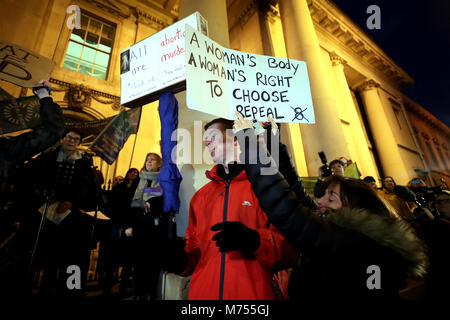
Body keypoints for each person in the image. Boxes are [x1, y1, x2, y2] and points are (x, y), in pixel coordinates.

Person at [233, 113, 428, 300]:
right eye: (324, 195)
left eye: (331, 198)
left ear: (354, 208)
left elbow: (289, 210)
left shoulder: (354, 243)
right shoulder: (352, 233)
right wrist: (271, 140)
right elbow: (296, 193)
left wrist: (250, 146)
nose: (320, 201)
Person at [168, 118, 298, 300]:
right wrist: (177, 260)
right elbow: (194, 252)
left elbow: (292, 250)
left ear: (235, 138)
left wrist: (255, 241)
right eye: (206, 140)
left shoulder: (266, 186)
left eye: (213, 136)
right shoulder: (200, 197)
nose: (207, 143)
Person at [127, 153, 165, 300]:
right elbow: (132, 203)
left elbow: (162, 195)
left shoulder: (162, 179)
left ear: (159, 164)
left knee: (151, 264)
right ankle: (138, 293)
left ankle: (150, 294)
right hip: (139, 226)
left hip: (154, 227)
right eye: (147, 159)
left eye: (152, 160)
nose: (148, 162)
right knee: (138, 264)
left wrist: (146, 197)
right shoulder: (139, 179)